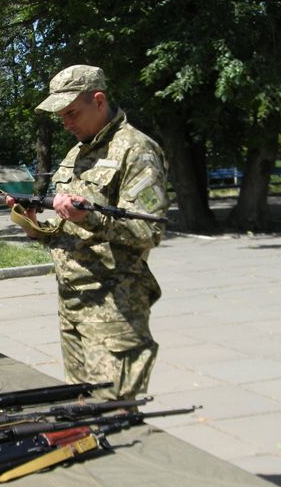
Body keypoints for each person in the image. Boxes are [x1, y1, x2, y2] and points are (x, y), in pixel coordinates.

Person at [10, 64, 169, 400]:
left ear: (99, 101)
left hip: (114, 309)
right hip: (72, 303)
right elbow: (65, 226)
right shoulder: (76, 152)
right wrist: (35, 224)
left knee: (112, 413)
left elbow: (149, 230)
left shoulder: (136, 150)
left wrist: (90, 219)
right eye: (61, 116)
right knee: (81, 408)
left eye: (72, 113)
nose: (66, 123)